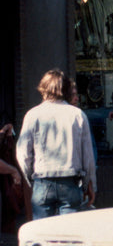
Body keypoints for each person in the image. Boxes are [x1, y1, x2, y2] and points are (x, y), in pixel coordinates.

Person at [16, 69, 96, 218]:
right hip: (70, 181)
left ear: (43, 88)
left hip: (43, 180)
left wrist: (30, 178)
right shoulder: (77, 115)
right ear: (66, 89)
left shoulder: (32, 115)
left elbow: (22, 153)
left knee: (42, 235)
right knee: (69, 236)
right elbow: (88, 156)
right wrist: (88, 184)